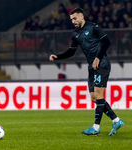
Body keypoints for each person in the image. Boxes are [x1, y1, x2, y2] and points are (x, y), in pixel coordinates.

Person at [49, 8, 124, 136]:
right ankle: (116, 120)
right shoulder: (75, 34)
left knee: (99, 96)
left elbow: (107, 42)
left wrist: (98, 57)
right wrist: (58, 57)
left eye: (75, 18)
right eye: (71, 19)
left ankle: (96, 127)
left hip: (102, 64)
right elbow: (71, 51)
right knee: (94, 98)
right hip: (91, 67)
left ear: (82, 16)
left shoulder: (94, 27)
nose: (73, 21)